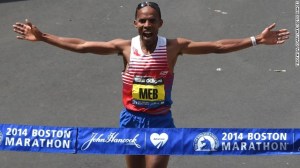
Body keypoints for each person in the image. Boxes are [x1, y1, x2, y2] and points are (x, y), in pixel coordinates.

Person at [13, 1, 289, 168]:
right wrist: (44, 36)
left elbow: (216, 46)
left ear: (160, 23)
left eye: (152, 20)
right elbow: (83, 46)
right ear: (135, 23)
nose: (147, 24)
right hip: (130, 121)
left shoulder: (173, 47)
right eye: (142, 20)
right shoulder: (124, 48)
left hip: (160, 123)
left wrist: (255, 40)